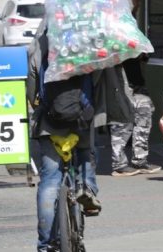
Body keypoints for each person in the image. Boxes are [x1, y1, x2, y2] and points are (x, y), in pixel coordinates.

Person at [27, 20, 133, 251]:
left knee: (49, 181)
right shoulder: (90, 38)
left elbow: (33, 79)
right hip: (83, 118)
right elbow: (101, 76)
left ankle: (45, 244)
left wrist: (37, 104)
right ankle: (87, 188)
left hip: (50, 120)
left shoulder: (42, 39)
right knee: (86, 153)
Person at [109, 0, 161, 177]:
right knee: (123, 120)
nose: (138, 5)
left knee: (143, 116)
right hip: (123, 81)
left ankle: (140, 159)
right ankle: (119, 163)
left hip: (135, 81)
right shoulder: (118, 22)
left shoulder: (129, 21)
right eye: (137, 0)